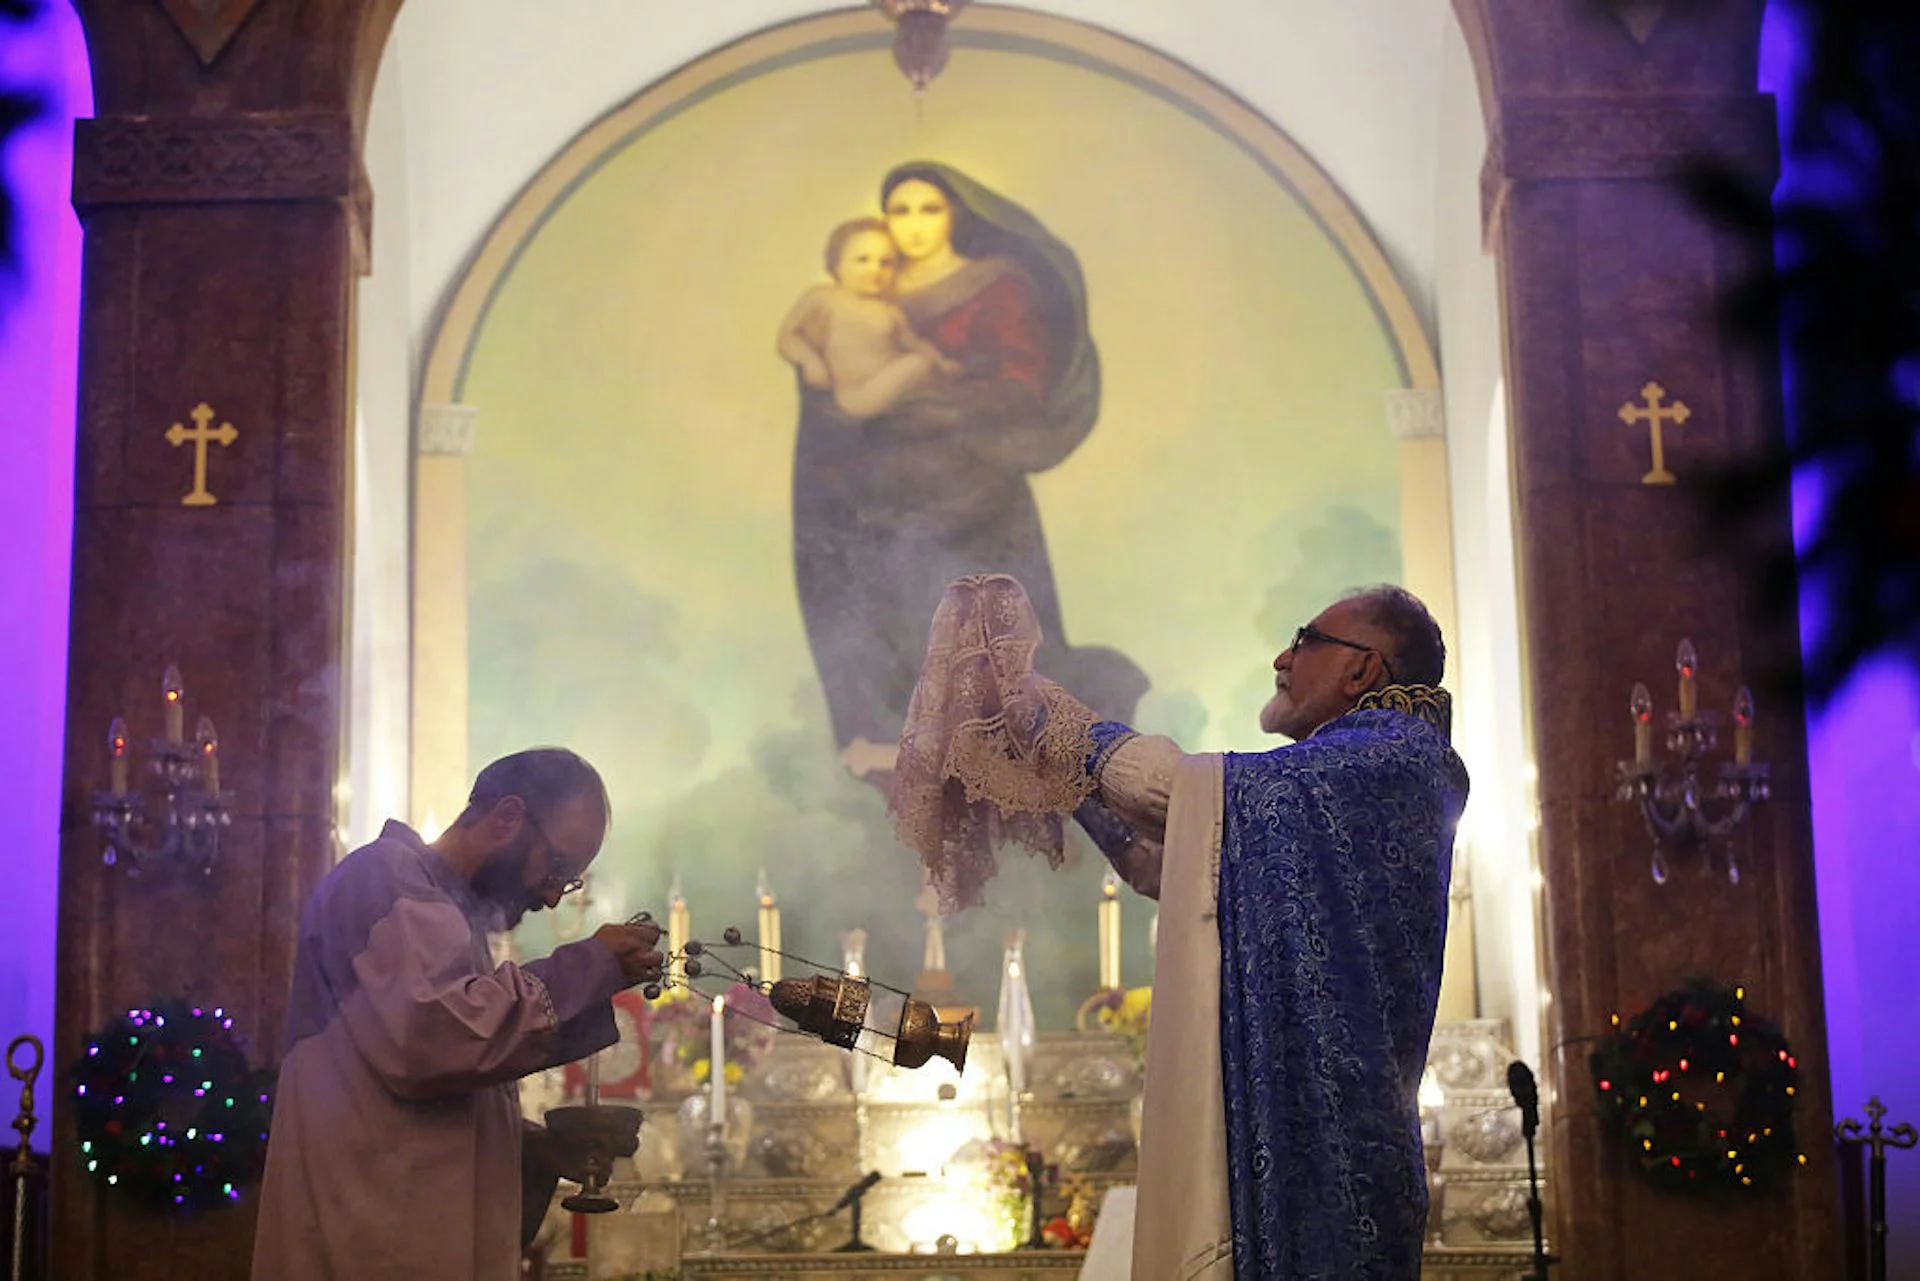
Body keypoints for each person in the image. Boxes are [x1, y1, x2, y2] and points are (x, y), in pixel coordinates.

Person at [897, 582, 1465, 1278]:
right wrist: (1050, 758)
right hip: (1308, 1136)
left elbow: (1178, 791)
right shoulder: (1345, 775)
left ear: (1362, 667)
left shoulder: (1391, 757)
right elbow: (1163, 861)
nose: (1282, 658)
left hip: (1330, 1155)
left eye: (1306, 639)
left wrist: (1039, 709)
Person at [251, 748, 666, 1281]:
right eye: (557, 867)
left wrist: (536, 1150)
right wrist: (588, 966)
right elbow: (431, 1038)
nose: (553, 896)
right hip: (366, 1245)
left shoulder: (451, 917)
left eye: (570, 881)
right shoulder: (383, 877)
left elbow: (415, 1110)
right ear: (508, 817)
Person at [788, 161, 1146, 778]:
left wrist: (933, 408)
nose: (914, 225)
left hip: (973, 498)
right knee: (890, 639)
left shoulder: (995, 285)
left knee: (980, 644)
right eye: (899, 211)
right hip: (875, 505)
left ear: (957, 214)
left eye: (930, 209)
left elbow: (1019, 383)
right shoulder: (867, 296)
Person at [776, 216, 962, 419]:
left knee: (922, 364)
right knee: (919, 364)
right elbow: (787, 336)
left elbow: (915, 343)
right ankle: (937, 399)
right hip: (858, 396)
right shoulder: (823, 296)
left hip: (892, 387)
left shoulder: (889, 310)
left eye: (886, 263)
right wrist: (811, 362)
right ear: (836, 264)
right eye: (862, 260)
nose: (875, 270)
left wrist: (942, 362)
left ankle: (934, 403)